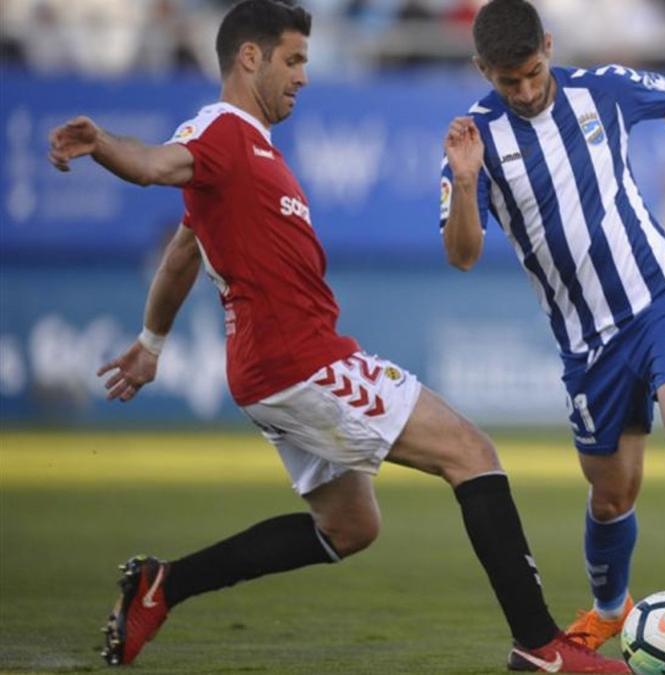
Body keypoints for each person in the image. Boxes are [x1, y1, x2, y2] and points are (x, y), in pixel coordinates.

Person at [47, 1, 627, 672]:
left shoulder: (248, 151)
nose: (303, 76)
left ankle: (164, 584)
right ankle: (542, 645)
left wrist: (151, 343)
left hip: (271, 369)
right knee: (472, 452)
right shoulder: (221, 131)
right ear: (250, 58)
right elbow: (152, 165)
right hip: (302, 360)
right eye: (293, 60)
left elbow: (184, 249)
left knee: (351, 527)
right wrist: (105, 146)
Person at [439, 0, 665, 657]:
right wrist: (466, 184)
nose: (523, 91)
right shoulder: (475, 142)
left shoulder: (600, 89)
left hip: (661, 298)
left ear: (548, 46)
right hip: (586, 345)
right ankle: (611, 611)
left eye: (530, 72)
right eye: (506, 81)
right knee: (611, 495)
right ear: (481, 70)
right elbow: (462, 253)